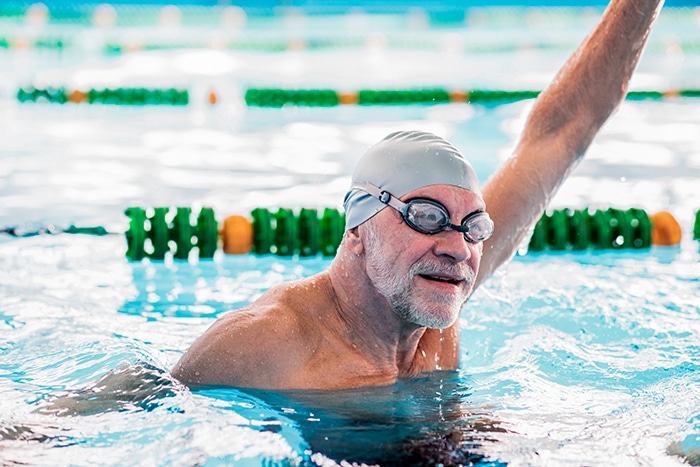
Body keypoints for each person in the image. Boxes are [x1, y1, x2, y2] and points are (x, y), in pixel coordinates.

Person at [172, 0, 664, 390]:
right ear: (358, 228)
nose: (457, 248)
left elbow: (563, 132)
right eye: (426, 217)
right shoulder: (267, 342)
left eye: (474, 226)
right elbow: (137, 407)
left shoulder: (435, 291)